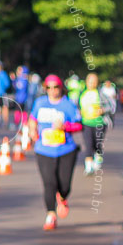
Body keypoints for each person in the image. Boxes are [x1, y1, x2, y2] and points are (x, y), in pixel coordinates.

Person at [29, 75, 82, 230]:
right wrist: (32, 130)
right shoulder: (40, 103)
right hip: (44, 150)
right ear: (45, 89)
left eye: (55, 87)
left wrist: (65, 127)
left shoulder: (68, 105)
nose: (52, 90)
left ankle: (63, 197)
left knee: (64, 185)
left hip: (66, 150)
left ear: (61, 88)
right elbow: (33, 118)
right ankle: (51, 215)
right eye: (49, 88)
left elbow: (79, 125)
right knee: (49, 183)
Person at [78, 73, 106, 176]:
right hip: (86, 122)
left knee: (97, 144)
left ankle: (97, 158)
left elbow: (111, 106)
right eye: (90, 81)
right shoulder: (82, 93)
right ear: (86, 82)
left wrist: (103, 110)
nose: (92, 83)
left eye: (94, 81)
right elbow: (77, 107)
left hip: (99, 123)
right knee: (88, 144)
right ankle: (89, 167)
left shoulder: (101, 93)